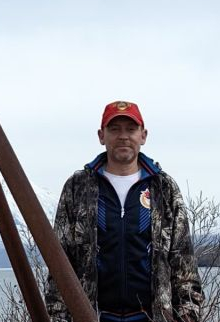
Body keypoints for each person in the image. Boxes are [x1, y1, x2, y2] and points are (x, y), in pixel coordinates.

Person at [44, 100, 204, 322]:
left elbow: (184, 269)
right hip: (93, 316)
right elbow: (61, 264)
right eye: (114, 129)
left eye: (131, 129)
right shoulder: (77, 188)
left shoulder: (163, 189)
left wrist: (186, 317)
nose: (123, 136)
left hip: (151, 317)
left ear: (143, 135)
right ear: (101, 136)